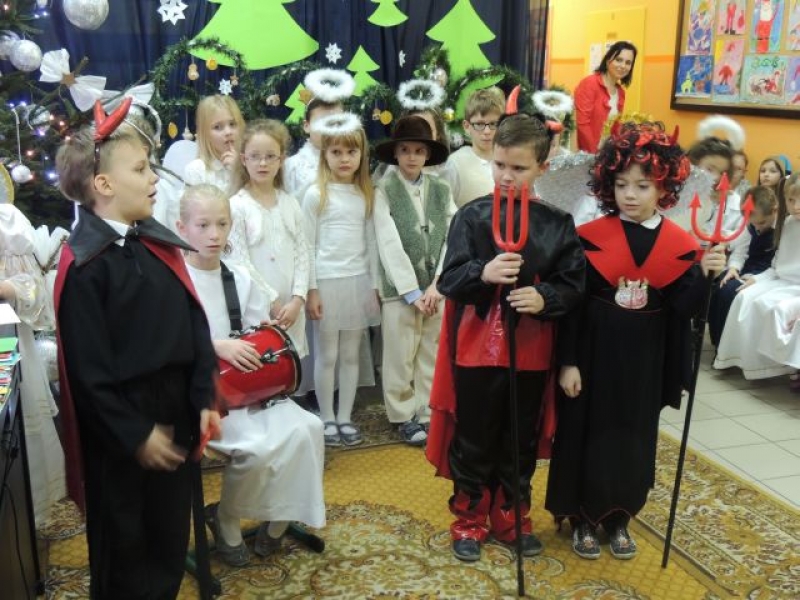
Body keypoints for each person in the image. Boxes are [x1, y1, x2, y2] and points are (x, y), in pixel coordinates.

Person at [53, 101, 221, 599]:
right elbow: (87, 375)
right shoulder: (86, 266)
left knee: (168, 538)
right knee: (125, 548)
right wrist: (136, 434)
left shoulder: (156, 244)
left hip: (175, 410)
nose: (154, 179)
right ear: (104, 185)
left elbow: (195, 325)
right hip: (122, 431)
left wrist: (204, 396)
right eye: (142, 169)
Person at [545, 123, 726, 560]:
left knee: (634, 438)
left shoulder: (679, 245)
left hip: (645, 362)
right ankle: (583, 517)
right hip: (593, 358)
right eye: (621, 184)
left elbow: (684, 310)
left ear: (663, 187)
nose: (630, 194)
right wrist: (568, 362)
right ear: (607, 184)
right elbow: (571, 308)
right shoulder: (588, 239)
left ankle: (620, 516)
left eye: (642, 186)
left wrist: (706, 275)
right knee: (588, 434)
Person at [426, 109, 586, 562]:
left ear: (542, 167)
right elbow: (450, 279)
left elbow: (574, 286)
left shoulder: (557, 224)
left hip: (530, 351)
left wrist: (544, 297)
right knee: (474, 438)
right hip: (476, 348)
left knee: (519, 439)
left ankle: (511, 516)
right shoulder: (472, 217)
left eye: (519, 168)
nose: (507, 176)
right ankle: (469, 518)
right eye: (499, 165)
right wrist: (484, 272)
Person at [176, 184, 325, 567]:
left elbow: (258, 333)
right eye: (203, 225)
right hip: (206, 397)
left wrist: (263, 338)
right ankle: (225, 518)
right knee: (258, 450)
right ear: (181, 228)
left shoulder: (239, 276)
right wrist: (215, 345)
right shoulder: (174, 280)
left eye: (222, 224)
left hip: (248, 388)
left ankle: (279, 519)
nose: (214, 234)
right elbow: (162, 342)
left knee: (308, 429)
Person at [373, 115, 455, 446]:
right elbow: (387, 241)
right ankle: (402, 414)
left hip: (435, 289)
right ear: (395, 153)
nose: (411, 157)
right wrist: (411, 291)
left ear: (428, 154)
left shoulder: (441, 189)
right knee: (400, 352)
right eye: (405, 150)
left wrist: (438, 284)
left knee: (430, 350)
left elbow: (452, 236)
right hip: (401, 290)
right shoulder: (384, 190)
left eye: (419, 151)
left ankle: (426, 411)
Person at [303, 113, 381, 447]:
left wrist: (375, 286)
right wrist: (311, 289)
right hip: (327, 283)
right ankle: (326, 417)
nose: (345, 159)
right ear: (325, 154)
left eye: (351, 152)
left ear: (362, 154)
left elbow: (372, 243)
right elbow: (306, 245)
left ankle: (345, 416)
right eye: (336, 152)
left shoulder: (366, 194)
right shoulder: (315, 194)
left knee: (351, 355)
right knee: (328, 355)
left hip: (358, 282)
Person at [0, 204, 66, 526]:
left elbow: (33, 287)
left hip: (4, 340)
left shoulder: (6, 221)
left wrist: (5, 288)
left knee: (7, 420)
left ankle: (21, 514)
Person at [228, 119, 309, 357]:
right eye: (255, 156)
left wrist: (298, 298)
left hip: (292, 310)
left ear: (281, 159)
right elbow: (240, 262)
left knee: (292, 364)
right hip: (259, 309)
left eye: (270, 156)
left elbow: (303, 254)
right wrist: (272, 301)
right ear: (244, 159)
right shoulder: (237, 206)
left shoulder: (290, 203)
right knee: (265, 363)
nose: (262, 163)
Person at [714, 173, 800, 380]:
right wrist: (757, 279)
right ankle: (738, 358)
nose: (796, 206)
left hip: (795, 286)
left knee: (765, 305)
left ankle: (771, 365)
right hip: (778, 279)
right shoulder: (788, 223)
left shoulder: (782, 222)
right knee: (743, 297)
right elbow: (777, 264)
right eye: (791, 200)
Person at [708, 185, 778, 347]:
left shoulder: (783, 229)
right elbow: (740, 251)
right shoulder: (751, 225)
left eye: (762, 223)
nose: (757, 227)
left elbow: (779, 265)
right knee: (719, 288)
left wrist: (757, 279)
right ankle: (719, 344)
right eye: (753, 223)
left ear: (774, 211)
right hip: (747, 270)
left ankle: (729, 347)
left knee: (729, 294)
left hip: (767, 276)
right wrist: (733, 268)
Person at [443, 87, 505, 208]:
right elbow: (443, 208)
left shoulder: (509, 161)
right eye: (480, 124)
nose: (487, 131)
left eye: (493, 124)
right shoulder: (456, 163)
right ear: (467, 126)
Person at [574, 41, 637, 153]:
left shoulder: (621, 92)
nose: (623, 66)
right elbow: (582, 124)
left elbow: (615, 126)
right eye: (619, 60)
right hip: (587, 154)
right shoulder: (590, 83)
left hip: (607, 153)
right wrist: (594, 154)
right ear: (608, 61)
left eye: (628, 63)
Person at [184, 95, 245, 192]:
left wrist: (239, 171)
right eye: (217, 127)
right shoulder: (196, 170)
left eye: (232, 124)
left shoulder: (250, 165)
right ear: (205, 134)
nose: (228, 132)